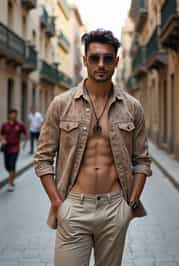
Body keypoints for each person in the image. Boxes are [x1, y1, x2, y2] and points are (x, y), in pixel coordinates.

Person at [34, 29, 152, 266]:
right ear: (85, 60)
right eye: (95, 58)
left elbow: (142, 161)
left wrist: (130, 205)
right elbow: (42, 158)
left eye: (108, 58)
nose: (101, 64)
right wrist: (59, 204)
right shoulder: (62, 104)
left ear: (116, 62)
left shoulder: (132, 107)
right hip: (74, 206)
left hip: (114, 208)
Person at [0, 109, 28, 192]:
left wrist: (25, 143)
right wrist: (2, 140)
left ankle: (10, 183)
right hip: (6, 148)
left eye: (15, 114)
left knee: (12, 165)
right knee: (7, 166)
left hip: (15, 148)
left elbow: (25, 133)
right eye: (12, 114)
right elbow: (1, 134)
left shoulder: (20, 124)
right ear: (9, 115)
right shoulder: (5, 125)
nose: (14, 116)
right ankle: (12, 174)